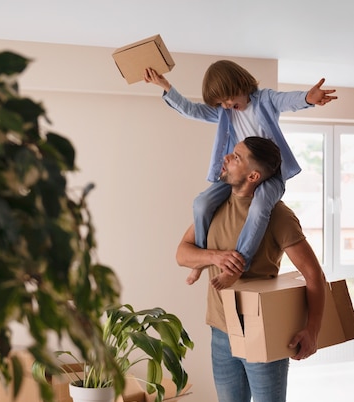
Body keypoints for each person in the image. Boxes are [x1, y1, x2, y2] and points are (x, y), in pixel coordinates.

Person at [144, 61, 337, 285]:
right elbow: (191, 110)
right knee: (201, 204)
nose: (226, 105)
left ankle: (239, 264)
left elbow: (287, 100)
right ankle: (201, 261)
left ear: (240, 85)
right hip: (240, 172)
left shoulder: (265, 100)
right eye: (220, 103)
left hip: (270, 173)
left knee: (260, 206)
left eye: (228, 98)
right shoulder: (225, 113)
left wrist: (307, 98)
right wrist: (165, 86)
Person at [175, 136, 326, 402]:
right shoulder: (214, 207)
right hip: (221, 330)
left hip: (263, 329)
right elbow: (182, 253)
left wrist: (313, 330)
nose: (227, 159)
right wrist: (215, 257)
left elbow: (314, 274)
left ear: (253, 175)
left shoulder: (279, 216)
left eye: (236, 157)